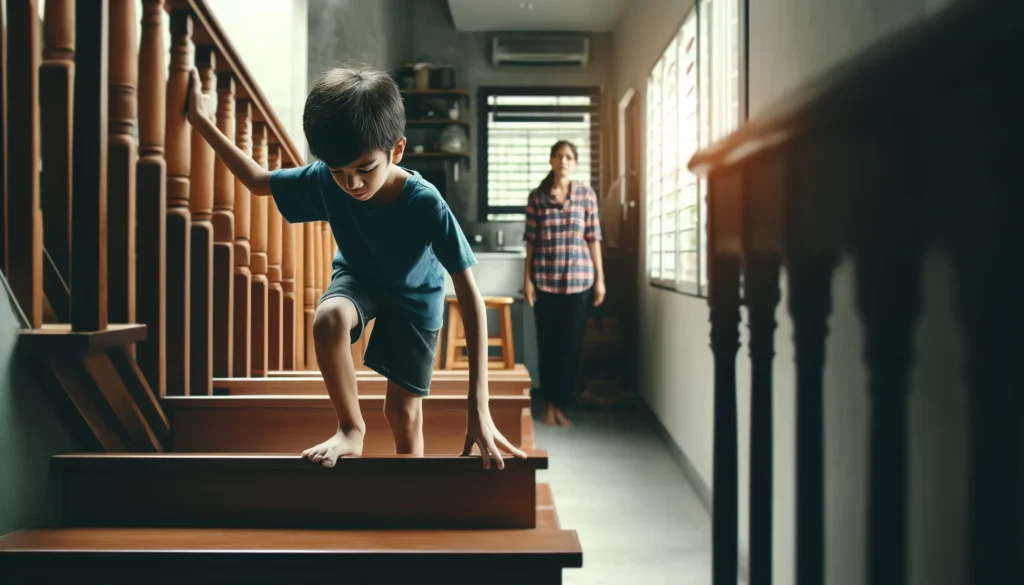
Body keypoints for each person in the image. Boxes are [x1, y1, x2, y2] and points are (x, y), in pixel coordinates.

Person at [185, 65, 526, 469]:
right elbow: (258, 180)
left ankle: (407, 486)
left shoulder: (425, 202)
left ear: (396, 151)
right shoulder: (327, 179)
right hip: (360, 277)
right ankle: (350, 429)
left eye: (365, 169)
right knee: (328, 319)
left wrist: (479, 404)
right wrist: (202, 120)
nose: (353, 184)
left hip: (416, 295)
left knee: (402, 413)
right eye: (339, 171)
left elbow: (469, 291)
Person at [523, 140, 605, 427]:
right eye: (559, 156)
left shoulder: (586, 195)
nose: (564, 161)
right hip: (545, 282)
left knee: (570, 348)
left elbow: (593, 238)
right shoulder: (538, 197)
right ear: (551, 161)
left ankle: (560, 404)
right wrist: (527, 282)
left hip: (579, 282)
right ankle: (548, 406)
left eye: (569, 156)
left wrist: (600, 281)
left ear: (575, 162)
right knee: (548, 345)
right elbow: (530, 243)